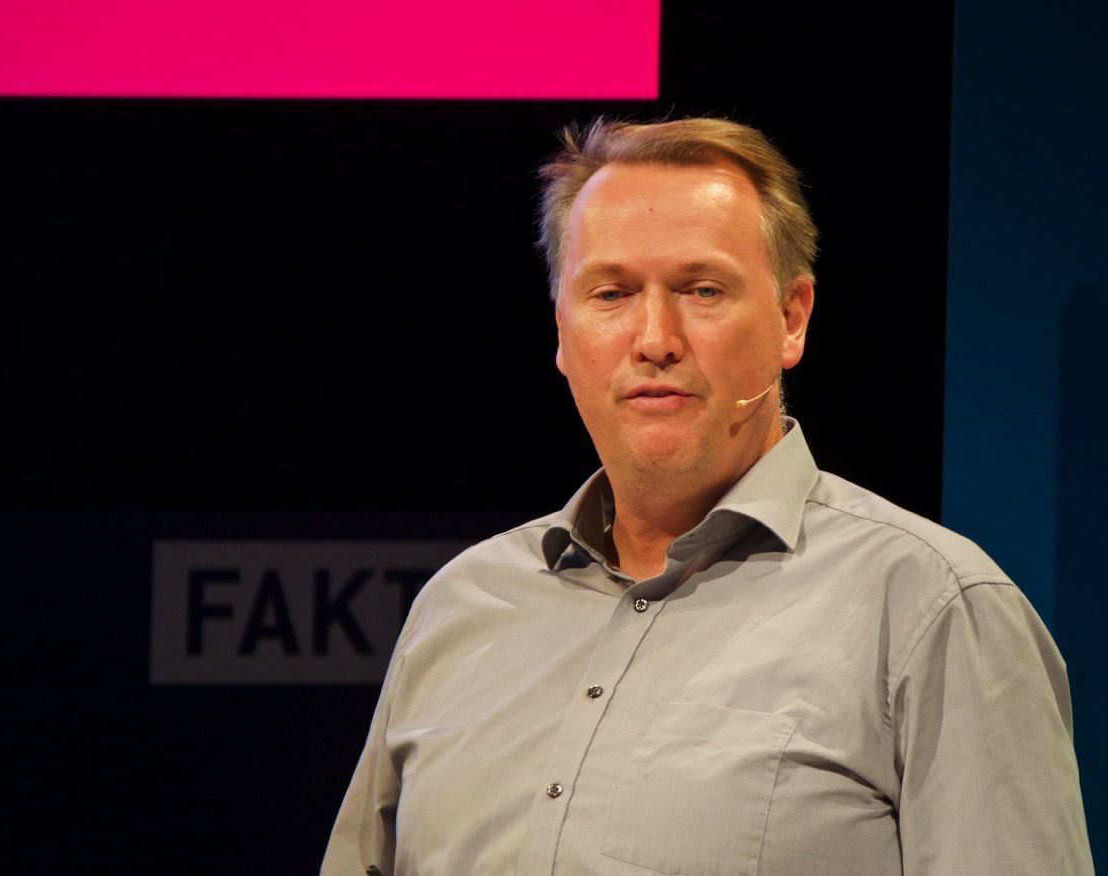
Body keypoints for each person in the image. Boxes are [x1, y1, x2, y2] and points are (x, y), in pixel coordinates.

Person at [322, 117, 1092, 875]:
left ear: (791, 319)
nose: (655, 338)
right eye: (611, 293)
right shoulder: (458, 608)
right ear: (561, 330)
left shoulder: (931, 609)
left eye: (702, 290)